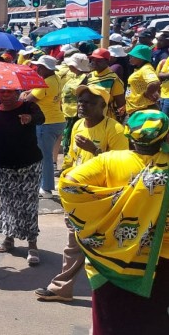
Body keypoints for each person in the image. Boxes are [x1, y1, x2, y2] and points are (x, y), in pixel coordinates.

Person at [59, 111, 169, 335]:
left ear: (131, 137)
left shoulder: (110, 161)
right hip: (164, 266)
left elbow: (69, 185)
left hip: (115, 265)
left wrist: (107, 213)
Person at [35, 85, 127, 303]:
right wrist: (65, 177)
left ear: (103, 106)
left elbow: (123, 166)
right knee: (74, 243)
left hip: (101, 198)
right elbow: (70, 155)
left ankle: (114, 294)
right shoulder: (77, 125)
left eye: (88, 102)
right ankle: (62, 288)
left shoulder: (114, 130)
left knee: (99, 246)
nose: (81, 106)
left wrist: (95, 150)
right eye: (80, 101)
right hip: (77, 195)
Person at [0, 89, 46, 265]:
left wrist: (30, 119)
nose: (4, 96)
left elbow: (41, 119)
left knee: (29, 204)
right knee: (7, 204)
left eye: (8, 93)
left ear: (17, 94)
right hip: (3, 167)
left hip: (29, 165)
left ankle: (32, 245)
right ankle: (9, 239)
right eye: (1, 93)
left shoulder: (28, 106)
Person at [22, 55, 66, 196]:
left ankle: (46, 188)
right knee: (44, 155)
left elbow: (27, 100)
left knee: (44, 156)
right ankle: (42, 183)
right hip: (57, 120)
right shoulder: (55, 79)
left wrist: (24, 94)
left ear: (47, 68)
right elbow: (37, 93)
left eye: (40, 67)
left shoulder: (46, 83)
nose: (37, 69)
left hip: (47, 122)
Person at [84, 49, 127, 120]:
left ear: (107, 61)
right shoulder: (90, 75)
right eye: (93, 60)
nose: (94, 62)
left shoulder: (113, 79)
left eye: (98, 61)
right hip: (90, 117)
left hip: (107, 119)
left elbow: (121, 104)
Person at [125, 44, 160, 115]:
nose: (130, 58)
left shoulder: (146, 68)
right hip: (136, 109)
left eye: (132, 56)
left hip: (143, 110)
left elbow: (155, 83)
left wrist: (147, 93)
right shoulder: (140, 69)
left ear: (140, 58)